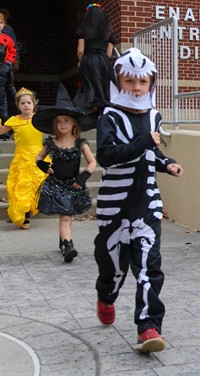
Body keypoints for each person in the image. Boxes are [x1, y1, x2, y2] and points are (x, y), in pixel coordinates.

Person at [94, 47, 183, 353]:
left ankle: (149, 327)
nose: (135, 88)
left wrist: (167, 162)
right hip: (115, 207)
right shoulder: (110, 116)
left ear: (150, 85)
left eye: (142, 82)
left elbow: (151, 153)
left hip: (147, 206)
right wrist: (146, 142)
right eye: (129, 81)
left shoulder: (154, 116)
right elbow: (107, 156)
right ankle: (106, 296)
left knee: (149, 268)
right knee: (114, 270)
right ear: (118, 82)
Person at [32, 83, 96, 263]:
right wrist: (44, 167)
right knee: (65, 216)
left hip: (74, 184)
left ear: (74, 122)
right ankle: (68, 246)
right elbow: (37, 158)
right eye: (59, 121)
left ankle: (63, 240)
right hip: (55, 185)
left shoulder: (80, 143)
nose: (62, 124)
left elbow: (92, 162)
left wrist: (84, 176)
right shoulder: (51, 143)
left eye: (66, 121)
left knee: (68, 215)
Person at [0, 87, 49, 229]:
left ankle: (31, 209)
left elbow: (54, 128)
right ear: (18, 105)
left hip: (39, 158)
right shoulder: (14, 120)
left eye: (29, 102)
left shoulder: (40, 118)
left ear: (34, 104)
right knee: (23, 187)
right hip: (21, 159)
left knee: (35, 187)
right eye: (23, 103)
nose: (26, 105)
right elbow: (2, 130)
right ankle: (25, 215)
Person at [73, 2, 117, 118]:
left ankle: (87, 110)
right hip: (103, 61)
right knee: (103, 86)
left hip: (89, 60)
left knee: (89, 86)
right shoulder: (108, 32)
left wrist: (80, 61)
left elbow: (81, 50)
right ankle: (102, 111)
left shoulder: (83, 30)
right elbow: (109, 53)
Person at [0, 8, 20, 117]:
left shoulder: (8, 30)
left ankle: (18, 112)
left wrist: (13, 61)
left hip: (5, 66)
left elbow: (13, 47)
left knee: (9, 90)